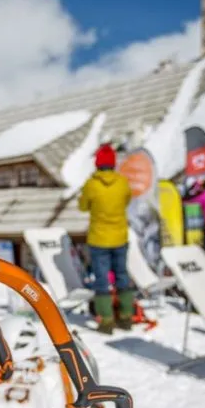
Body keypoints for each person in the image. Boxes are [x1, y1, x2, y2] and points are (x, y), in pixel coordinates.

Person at [78, 143, 134, 333]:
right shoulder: (122, 182)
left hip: (99, 239)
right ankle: (126, 317)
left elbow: (83, 206)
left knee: (101, 280)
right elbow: (127, 200)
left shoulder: (91, 184)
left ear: (97, 164)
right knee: (122, 276)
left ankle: (107, 321)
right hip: (120, 236)